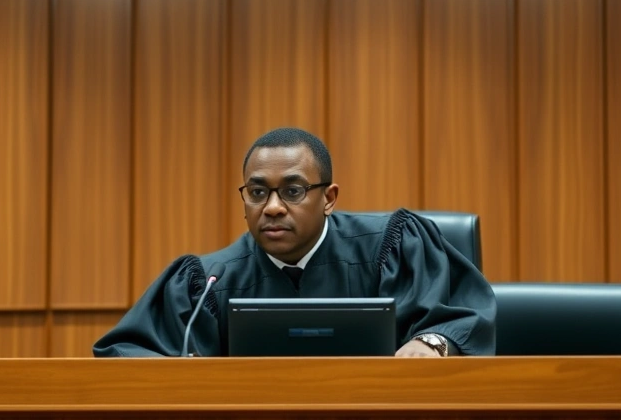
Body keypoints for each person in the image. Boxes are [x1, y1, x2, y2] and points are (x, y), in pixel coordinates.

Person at [94, 127, 496, 357]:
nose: (271, 208)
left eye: (292, 191)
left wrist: (431, 342)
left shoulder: (394, 247)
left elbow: (458, 316)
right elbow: (129, 354)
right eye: (256, 193)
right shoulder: (206, 283)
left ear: (329, 198)